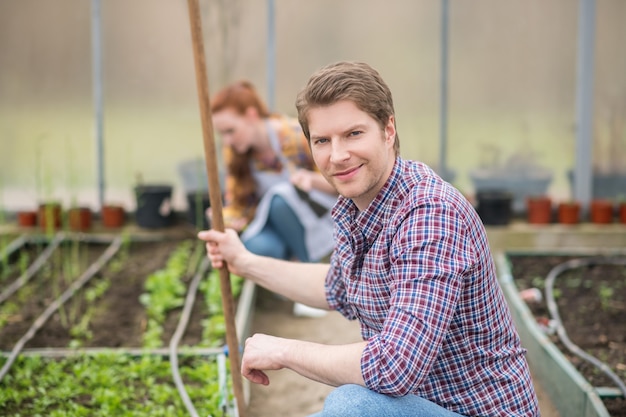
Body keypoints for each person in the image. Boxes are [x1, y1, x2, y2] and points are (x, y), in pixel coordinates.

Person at [199, 62, 539, 417]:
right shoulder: (356, 209)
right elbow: (334, 287)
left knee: (353, 406)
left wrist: (283, 352)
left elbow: (395, 365)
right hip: (419, 406)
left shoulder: (429, 214)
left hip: (472, 410)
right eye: (322, 141)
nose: (338, 155)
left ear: (388, 129)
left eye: (353, 134)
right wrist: (244, 262)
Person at [209, 81, 338, 264]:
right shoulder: (234, 152)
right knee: (257, 247)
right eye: (222, 134)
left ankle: (316, 271)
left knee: (279, 202)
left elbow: (340, 184)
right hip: (276, 223)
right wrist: (224, 218)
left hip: (317, 214)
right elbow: (237, 202)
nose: (227, 140)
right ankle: (291, 277)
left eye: (230, 131)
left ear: (251, 115)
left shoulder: (296, 135)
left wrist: (310, 179)